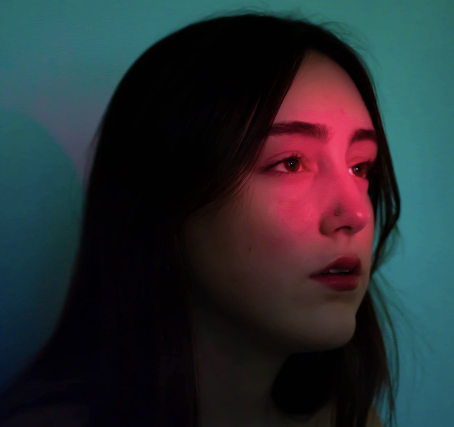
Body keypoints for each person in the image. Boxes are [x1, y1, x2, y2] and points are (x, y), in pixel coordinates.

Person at [0, 8, 403, 427]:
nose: (357, 214)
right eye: (290, 163)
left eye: (360, 167)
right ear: (167, 195)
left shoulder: (353, 419)